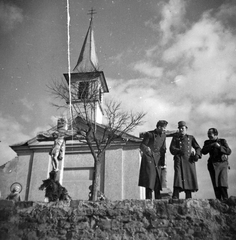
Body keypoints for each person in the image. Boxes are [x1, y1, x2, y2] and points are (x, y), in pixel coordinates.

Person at [170, 121, 201, 199]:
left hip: (189, 160)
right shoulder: (175, 137)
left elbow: (198, 148)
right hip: (179, 160)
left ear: (186, 129)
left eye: (182, 128)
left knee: (188, 177)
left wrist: (197, 155)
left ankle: (188, 196)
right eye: (180, 128)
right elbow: (171, 148)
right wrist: (178, 150)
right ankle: (175, 195)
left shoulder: (190, 138)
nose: (181, 130)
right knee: (178, 176)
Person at [138, 120, 169, 199]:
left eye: (165, 128)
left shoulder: (163, 135)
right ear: (159, 127)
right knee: (149, 180)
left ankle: (158, 201)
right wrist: (147, 149)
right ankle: (148, 201)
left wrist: (163, 161)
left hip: (158, 159)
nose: (164, 129)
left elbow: (163, 148)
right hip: (149, 159)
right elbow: (142, 145)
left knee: (157, 181)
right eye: (163, 128)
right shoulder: (149, 134)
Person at [201, 128, 231, 201]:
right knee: (216, 184)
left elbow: (228, 151)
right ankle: (218, 201)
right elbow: (204, 151)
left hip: (222, 164)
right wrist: (212, 145)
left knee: (222, 183)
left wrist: (219, 147)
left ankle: (225, 199)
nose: (209, 136)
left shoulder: (222, 141)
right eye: (208, 135)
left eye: (210, 135)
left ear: (215, 134)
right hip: (212, 165)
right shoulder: (207, 142)